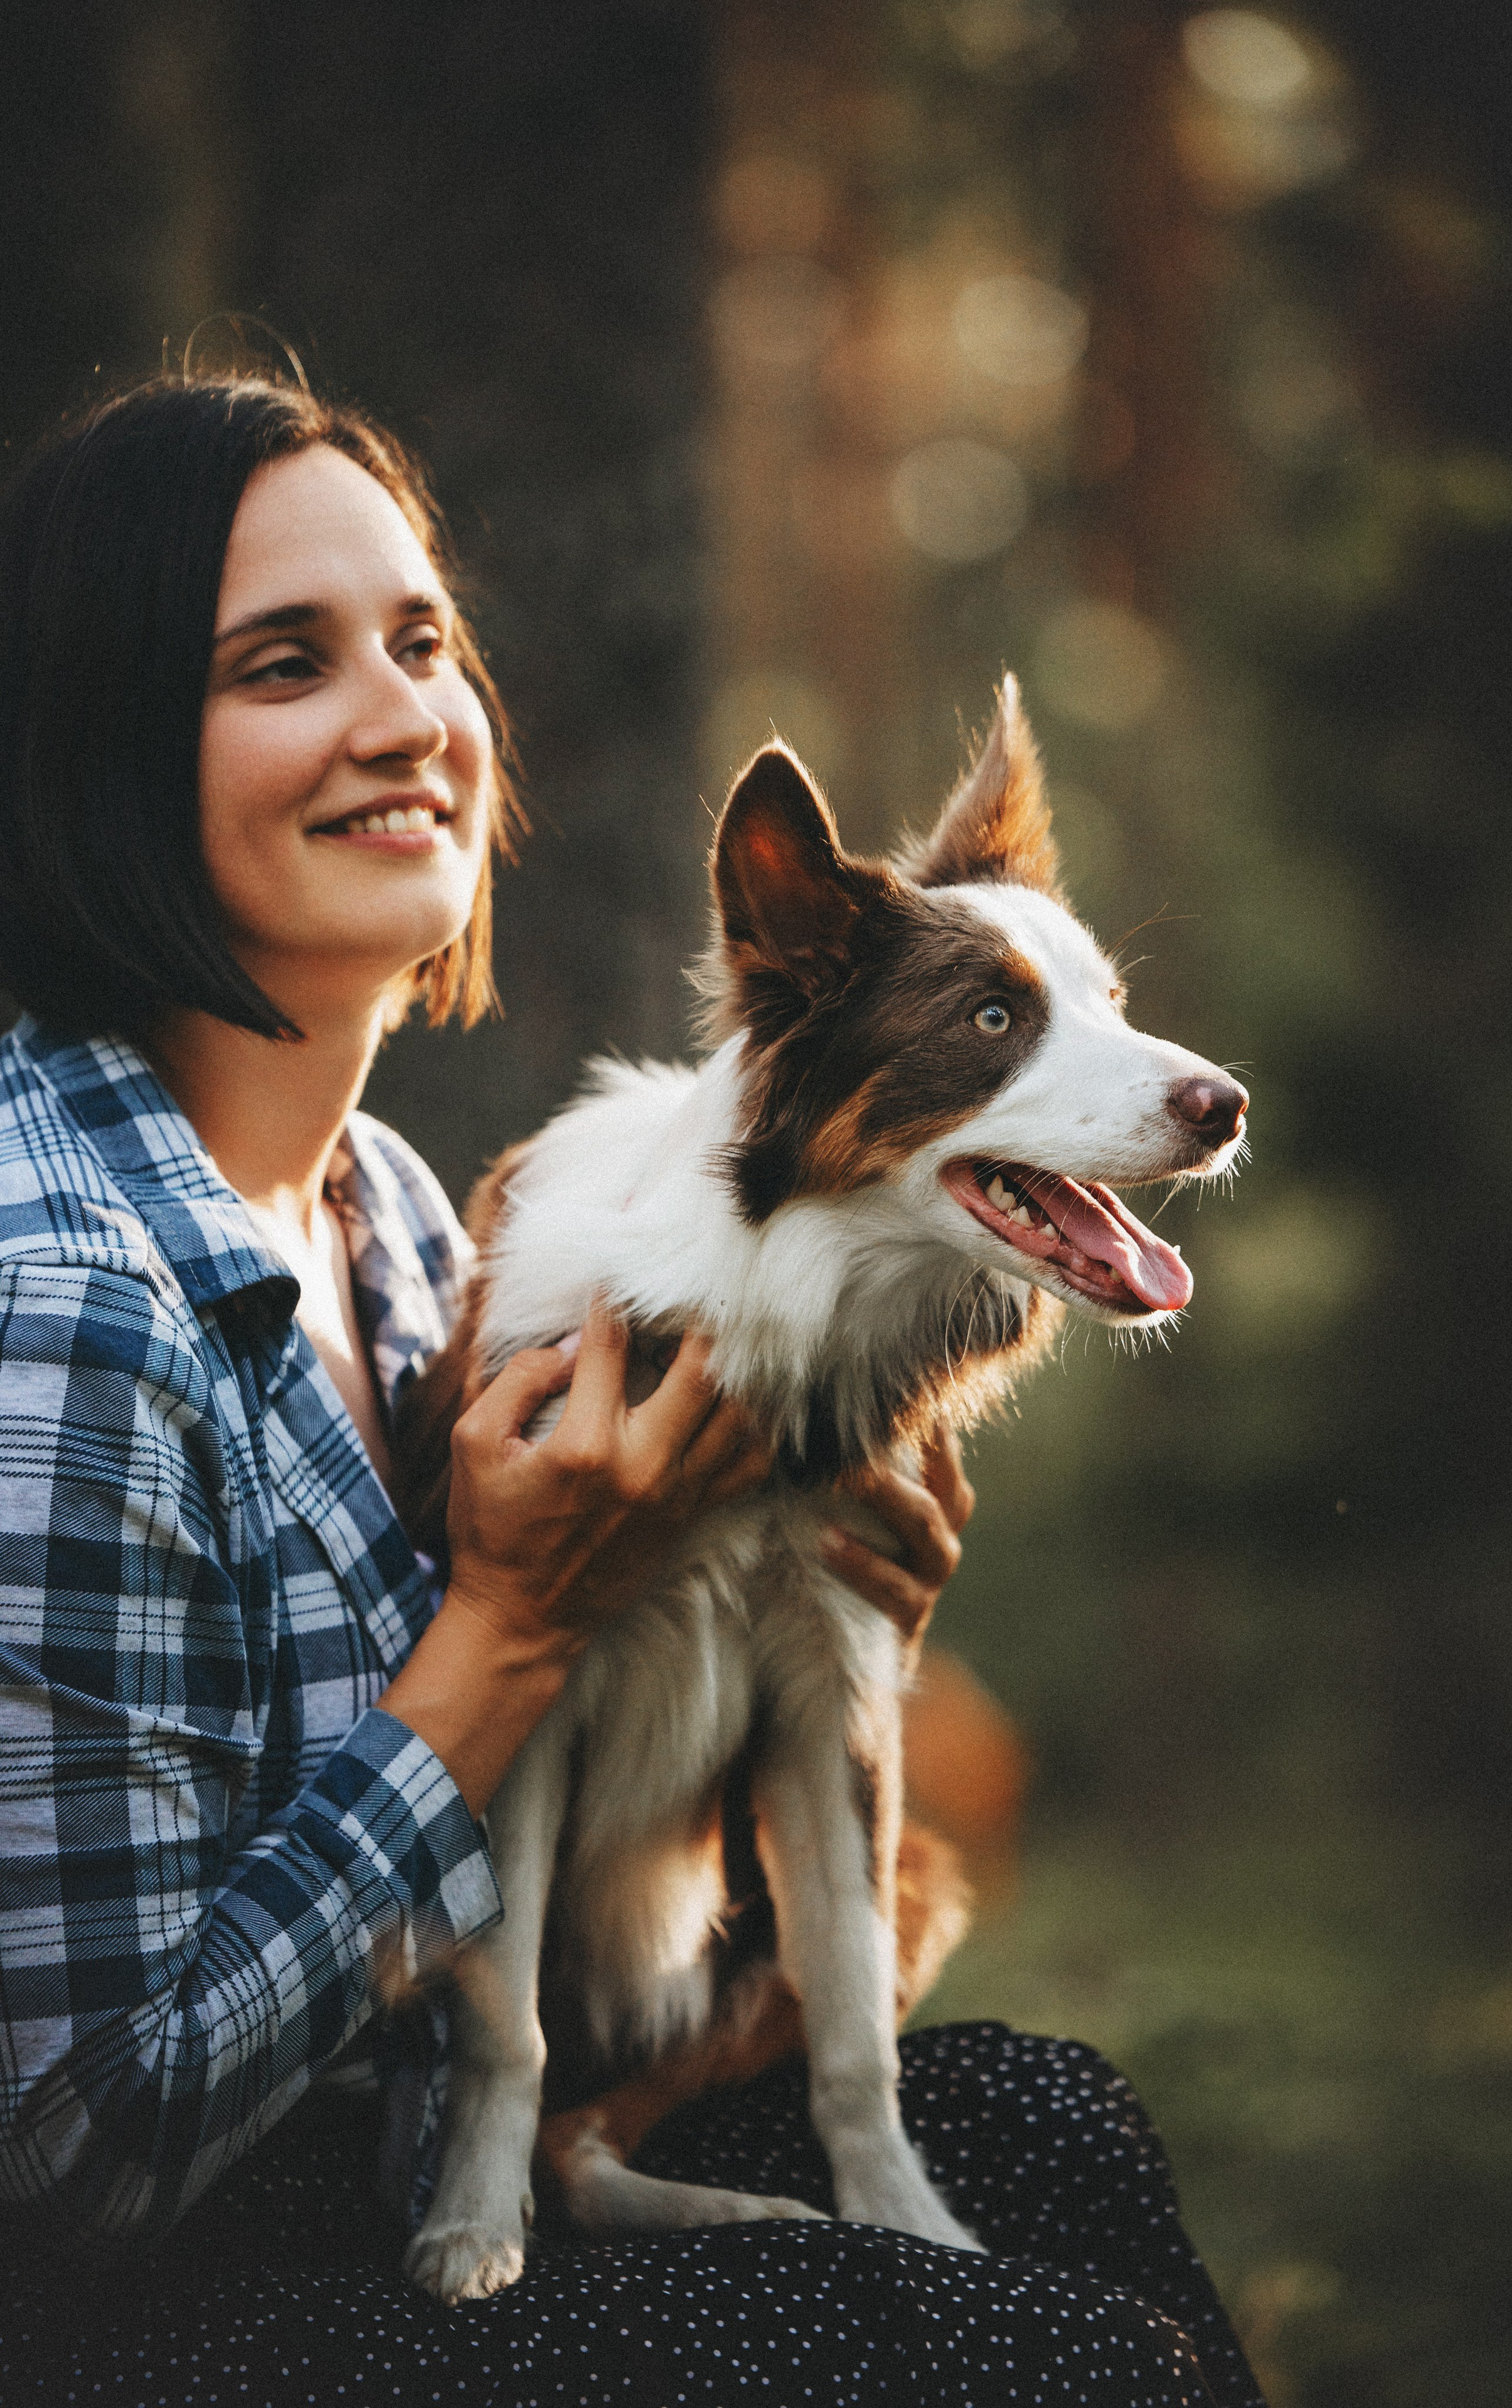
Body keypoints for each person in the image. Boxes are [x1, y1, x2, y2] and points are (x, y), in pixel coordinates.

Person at [0, 371, 1264, 2405]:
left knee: (1057, 2124)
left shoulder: (396, 1212)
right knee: (1054, 2359)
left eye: (424, 641)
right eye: (283, 664)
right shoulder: (66, 1312)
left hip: (443, 2135)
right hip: (182, 2311)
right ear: (101, 753)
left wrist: (801, 1596)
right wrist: (511, 1631)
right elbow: (62, 2166)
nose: (405, 715)